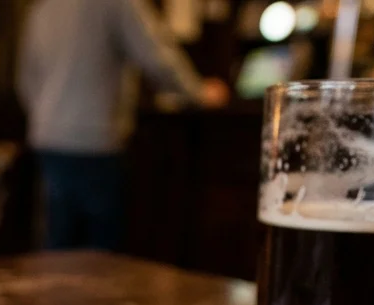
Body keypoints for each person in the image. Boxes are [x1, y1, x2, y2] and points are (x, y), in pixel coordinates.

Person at [17, 0, 228, 252]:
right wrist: (198, 93)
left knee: (57, 246)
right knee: (101, 256)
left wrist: (47, 117)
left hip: (48, 136)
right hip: (94, 139)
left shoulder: (45, 7)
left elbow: (26, 77)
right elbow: (156, 56)